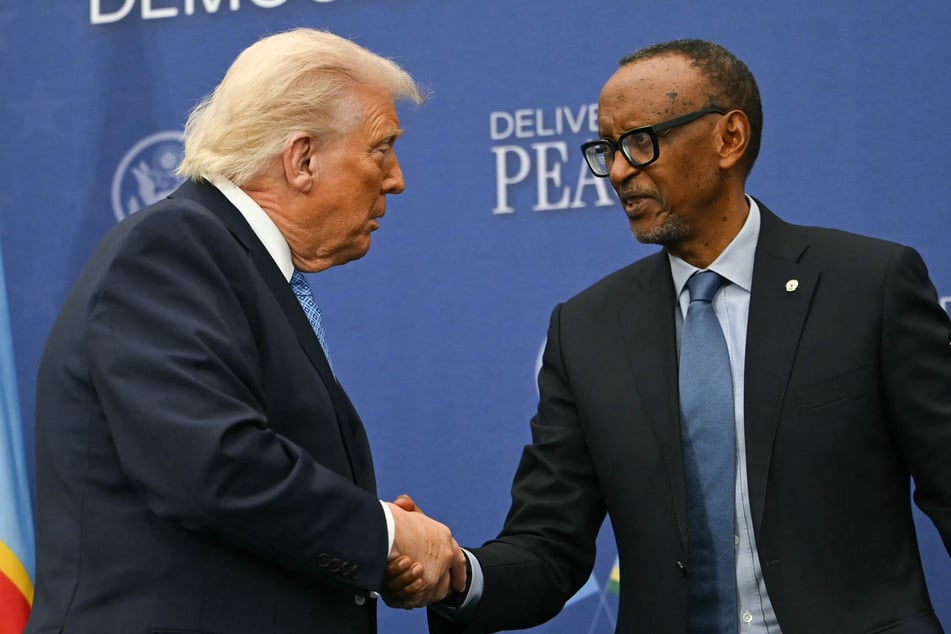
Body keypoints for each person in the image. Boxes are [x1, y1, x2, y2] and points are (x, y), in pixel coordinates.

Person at [390, 39, 951, 632]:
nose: (618, 171)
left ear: (729, 138)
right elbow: (549, 545)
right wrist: (458, 575)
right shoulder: (587, 332)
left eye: (640, 142)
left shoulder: (867, 286)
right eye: (607, 149)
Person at [26, 28, 465, 634]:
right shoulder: (171, 250)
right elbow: (213, 468)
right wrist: (386, 533)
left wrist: (372, 532)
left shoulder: (240, 264)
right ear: (302, 159)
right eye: (381, 148)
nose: (396, 179)